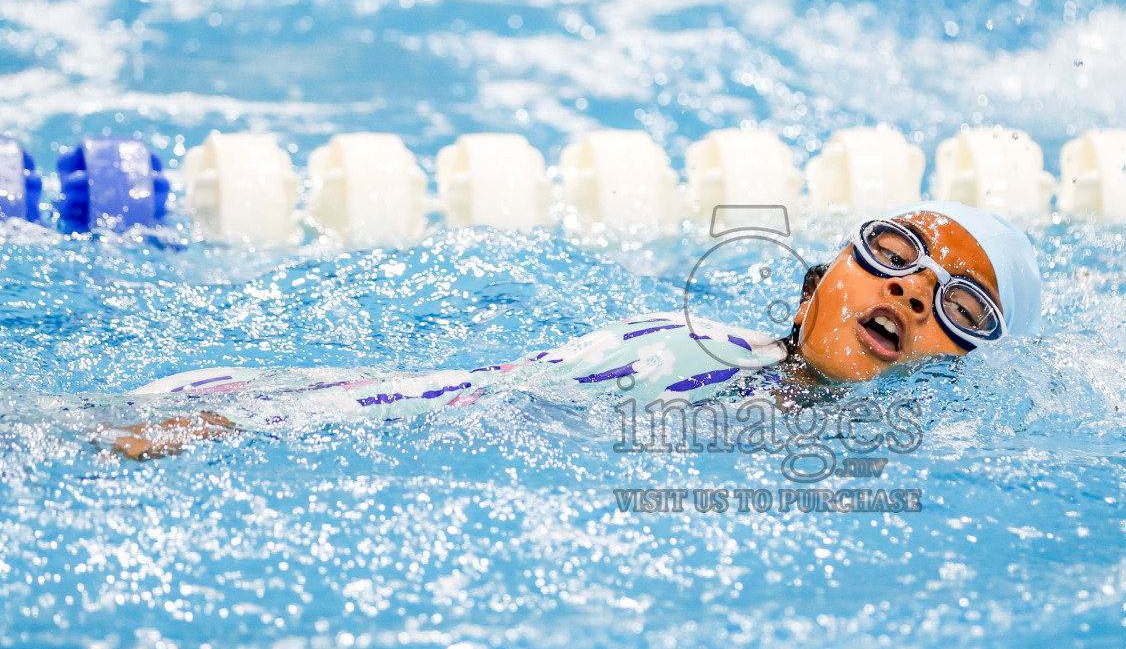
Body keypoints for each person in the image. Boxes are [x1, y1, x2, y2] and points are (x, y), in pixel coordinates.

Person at [108, 201, 1044, 459]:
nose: (918, 295)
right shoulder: (693, 356)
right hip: (247, 413)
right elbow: (460, 405)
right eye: (893, 252)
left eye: (963, 308)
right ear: (814, 288)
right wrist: (234, 428)